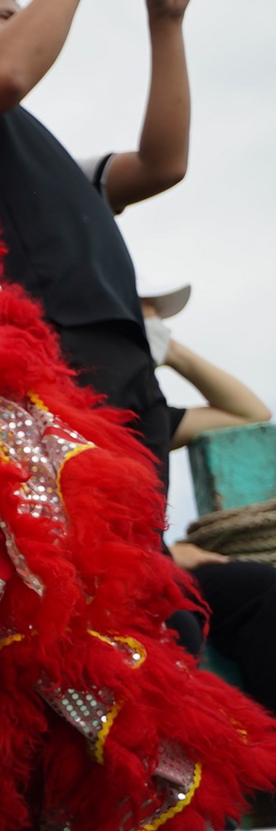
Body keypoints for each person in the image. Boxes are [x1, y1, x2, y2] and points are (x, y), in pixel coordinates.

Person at [0, 0, 196, 484]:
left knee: (143, 546)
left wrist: (166, 20)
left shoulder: (44, 157)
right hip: (55, 351)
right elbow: (4, 76)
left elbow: (162, 165)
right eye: (3, 15)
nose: (25, 21)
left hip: (123, 355)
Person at [139, 285, 276, 714]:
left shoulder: (148, 417)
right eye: (144, 317)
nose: (156, 327)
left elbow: (249, 413)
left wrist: (173, 352)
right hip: (110, 577)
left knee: (265, 593)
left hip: (162, 566)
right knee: (177, 626)